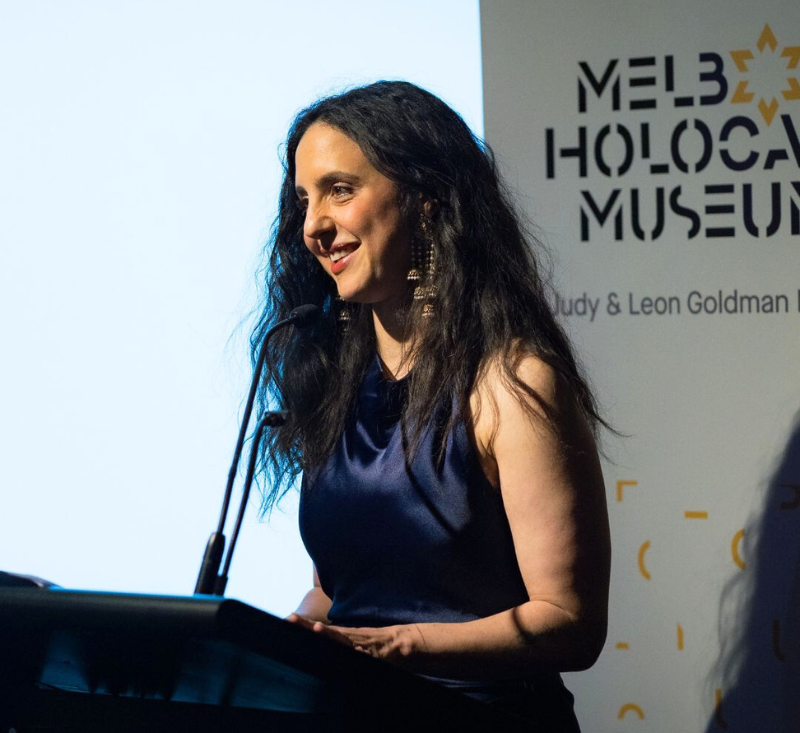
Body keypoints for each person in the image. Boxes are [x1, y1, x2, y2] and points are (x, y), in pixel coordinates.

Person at [252, 81, 611, 730]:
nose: (312, 227)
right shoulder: (335, 383)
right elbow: (340, 593)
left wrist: (397, 646)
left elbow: (570, 622)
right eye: (303, 200)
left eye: (340, 190)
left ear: (426, 201)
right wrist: (295, 635)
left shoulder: (512, 381)